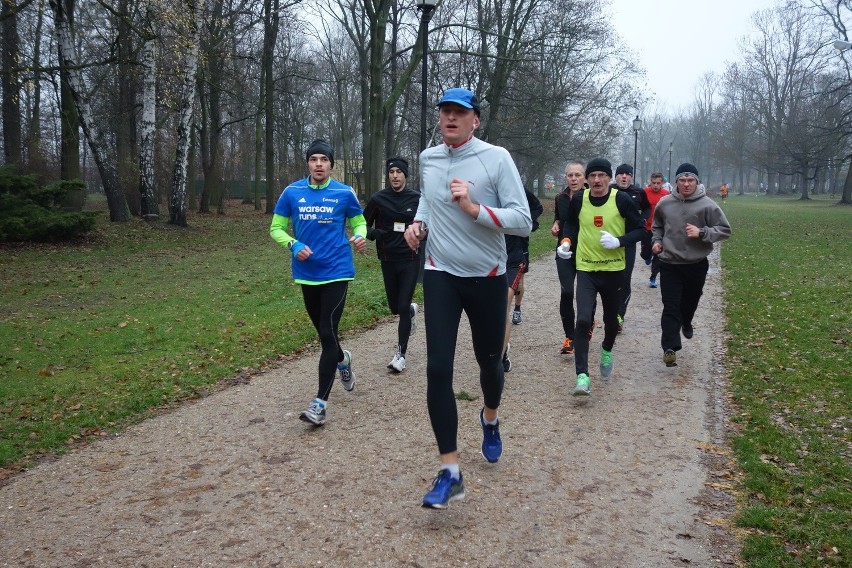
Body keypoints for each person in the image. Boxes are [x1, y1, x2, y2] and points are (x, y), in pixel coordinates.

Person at [403, 87, 531, 509]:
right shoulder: (428, 158)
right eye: (445, 112)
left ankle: (490, 418)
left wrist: (475, 210)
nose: (451, 118)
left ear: (475, 119)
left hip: (488, 276)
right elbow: (428, 199)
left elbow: (522, 221)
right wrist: (418, 224)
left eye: (460, 112)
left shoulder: (496, 158)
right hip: (440, 273)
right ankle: (450, 471)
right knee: (437, 368)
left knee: (489, 363)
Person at [269, 138, 367, 426]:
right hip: (307, 274)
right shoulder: (292, 192)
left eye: (324, 159)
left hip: (337, 269)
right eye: (314, 160)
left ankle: (319, 404)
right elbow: (276, 228)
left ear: (331, 164)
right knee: (326, 335)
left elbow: (358, 221)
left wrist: (359, 235)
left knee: (327, 331)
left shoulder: (344, 192)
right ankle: (343, 360)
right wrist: (292, 244)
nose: (319, 164)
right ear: (308, 163)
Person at [559, 158, 645, 397]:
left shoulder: (622, 199)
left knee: (610, 322)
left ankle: (607, 349)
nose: (597, 180)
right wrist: (566, 242)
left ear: (610, 178)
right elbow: (571, 225)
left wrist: (620, 241)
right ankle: (582, 376)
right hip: (586, 268)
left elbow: (640, 229)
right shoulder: (579, 199)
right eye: (593, 176)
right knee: (583, 320)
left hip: (613, 270)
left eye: (602, 176)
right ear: (587, 178)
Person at [651, 163, 731, 367]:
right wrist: (656, 242)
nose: (686, 184)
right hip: (669, 263)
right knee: (670, 306)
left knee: (689, 303)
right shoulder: (665, 203)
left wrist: (702, 233)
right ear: (676, 182)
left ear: (697, 182)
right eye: (682, 180)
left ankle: (686, 322)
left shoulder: (708, 205)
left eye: (690, 180)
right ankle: (669, 347)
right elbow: (657, 225)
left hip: (696, 264)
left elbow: (724, 230)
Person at [363, 157, 421, 373]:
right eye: (391, 172)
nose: (395, 176)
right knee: (395, 308)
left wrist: (421, 235)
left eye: (399, 172)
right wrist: (372, 234)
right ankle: (410, 313)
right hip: (388, 259)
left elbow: (428, 224)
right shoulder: (378, 199)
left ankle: (400, 354)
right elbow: (362, 223)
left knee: (403, 305)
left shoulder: (417, 199)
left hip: (410, 258)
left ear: (406, 174)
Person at [552, 161, 594, 355]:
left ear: (585, 178)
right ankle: (570, 336)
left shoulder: (592, 197)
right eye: (570, 175)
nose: (574, 179)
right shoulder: (560, 197)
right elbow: (559, 217)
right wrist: (555, 224)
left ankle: (588, 323)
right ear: (565, 178)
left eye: (578, 175)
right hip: (564, 250)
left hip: (587, 250)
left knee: (587, 294)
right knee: (567, 292)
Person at [502, 187, 543, 371]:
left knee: (508, 297)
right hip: (491, 253)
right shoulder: (484, 189)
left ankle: (501, 356)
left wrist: (528, 223)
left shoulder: (519, 190)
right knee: (494, 307)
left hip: (516, 252)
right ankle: (499, 347)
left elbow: (538, 208)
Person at [610, 164, 650, 333]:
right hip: (609, 242)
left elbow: (647, 207)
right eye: (621, 174)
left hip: (629, 242)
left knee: (625, 279)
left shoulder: (639, 192)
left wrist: (642, 219)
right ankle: (609, 313)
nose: (624, 177)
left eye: (627, 174)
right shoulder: (609, 190)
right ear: (616, 176)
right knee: (609, 281)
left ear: (631, 177)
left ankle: (619, 316)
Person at [639, 172, 671, 288]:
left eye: (658, 183)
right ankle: (647, 257)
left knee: (658, 253)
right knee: (645, 253)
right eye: (653, 183)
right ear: (650, 182)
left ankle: (653, 277)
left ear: (662, 183)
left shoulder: (667, 194)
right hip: (646, 227)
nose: (656, 185)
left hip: (660, 229)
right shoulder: (644, 192)